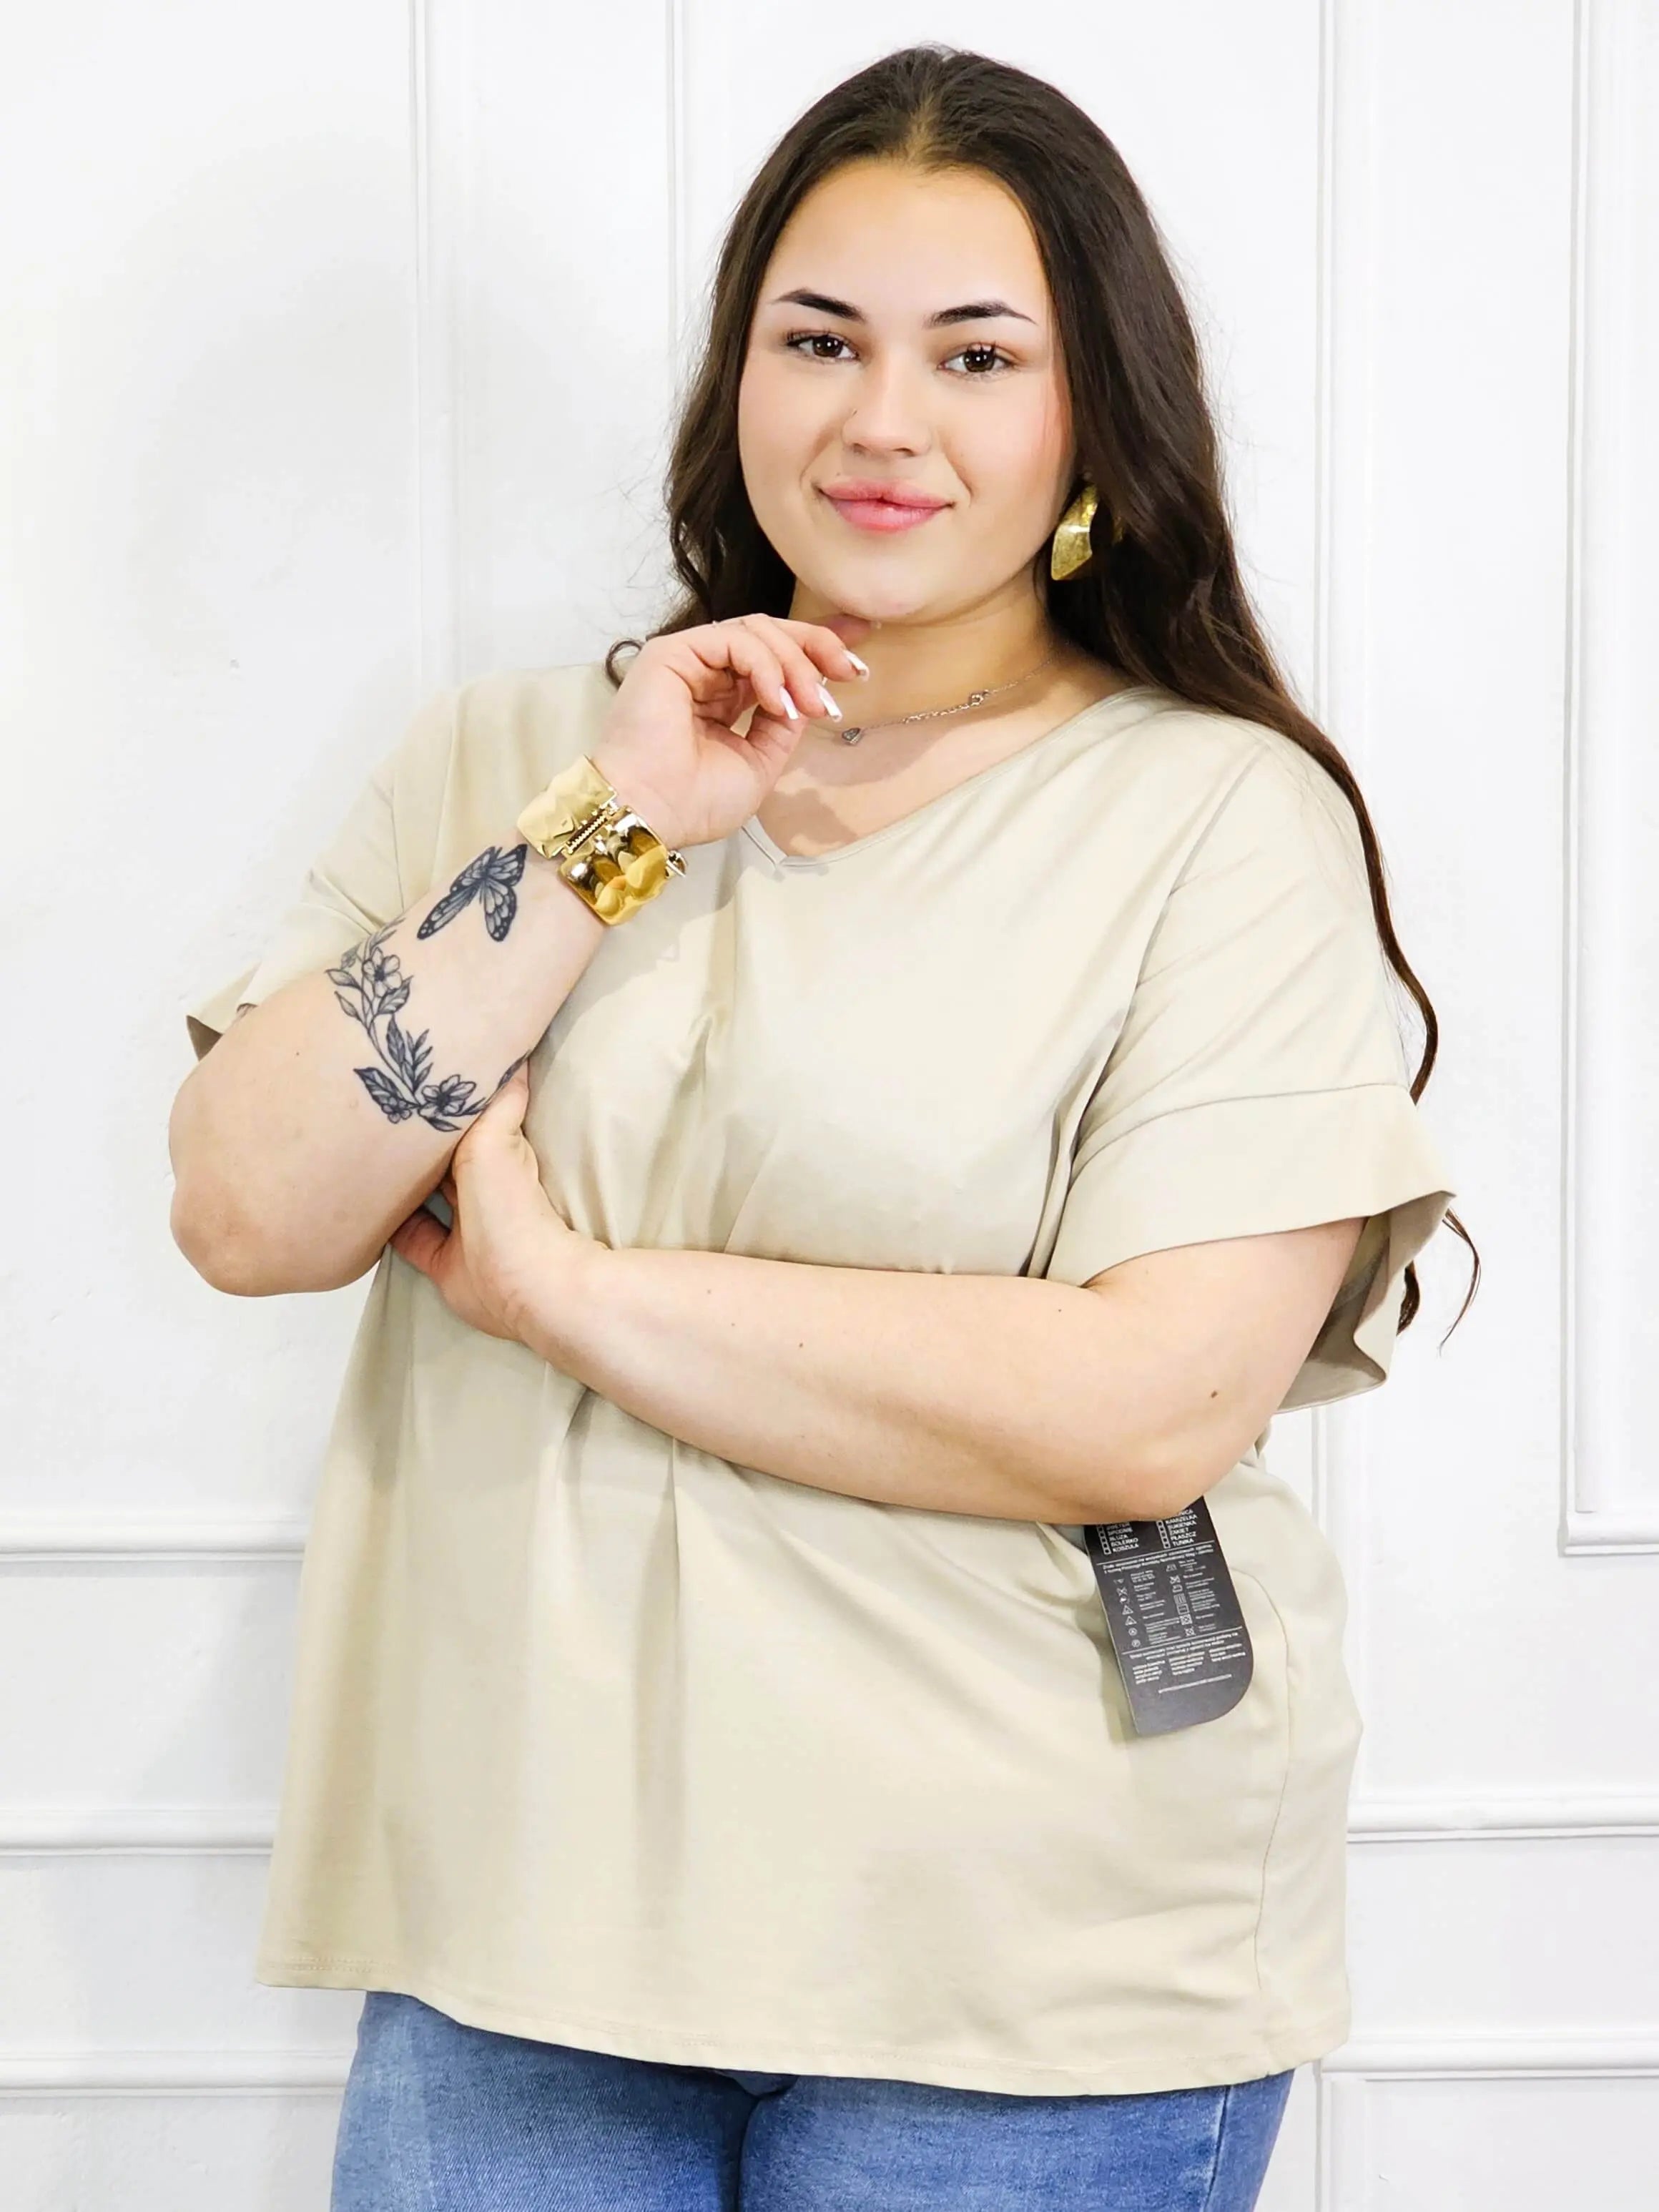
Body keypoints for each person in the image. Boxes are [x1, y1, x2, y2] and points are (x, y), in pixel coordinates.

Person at [168, 43, 1470, 2212]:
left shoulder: (1216, 817)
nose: (883, 419)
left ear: (1093, 414)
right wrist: (615, 824)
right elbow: (251, 1205)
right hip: (515, 1944)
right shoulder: (529, 756)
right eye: (821, 339)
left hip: (1026, 1977)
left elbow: (1152, 1403)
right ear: (738, 376)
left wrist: (566, 1297)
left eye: (978, 354)